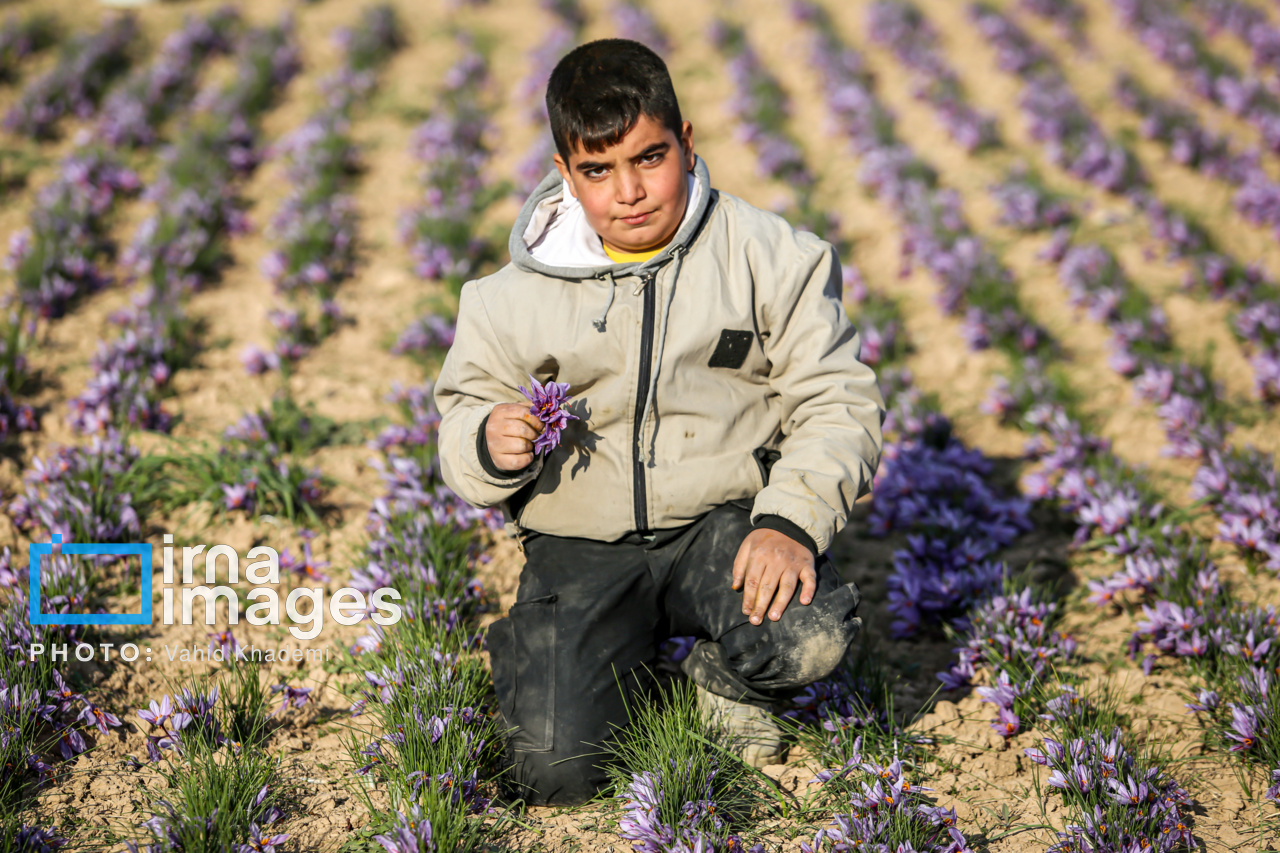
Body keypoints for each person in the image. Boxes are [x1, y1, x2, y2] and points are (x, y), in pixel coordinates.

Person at [434, 37, 884, 807]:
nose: (630, 191)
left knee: (805, 635)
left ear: (687, 143)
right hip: (580, 540)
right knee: (560, 771)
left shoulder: (772, 256)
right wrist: (488, 441)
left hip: (723, 522)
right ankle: (579, 651)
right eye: (598, 170)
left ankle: (722, 676)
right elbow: (460, 415)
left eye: (650, 157)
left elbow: (838, 399)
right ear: (564, 175)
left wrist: (792, 522)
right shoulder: (504, 297)